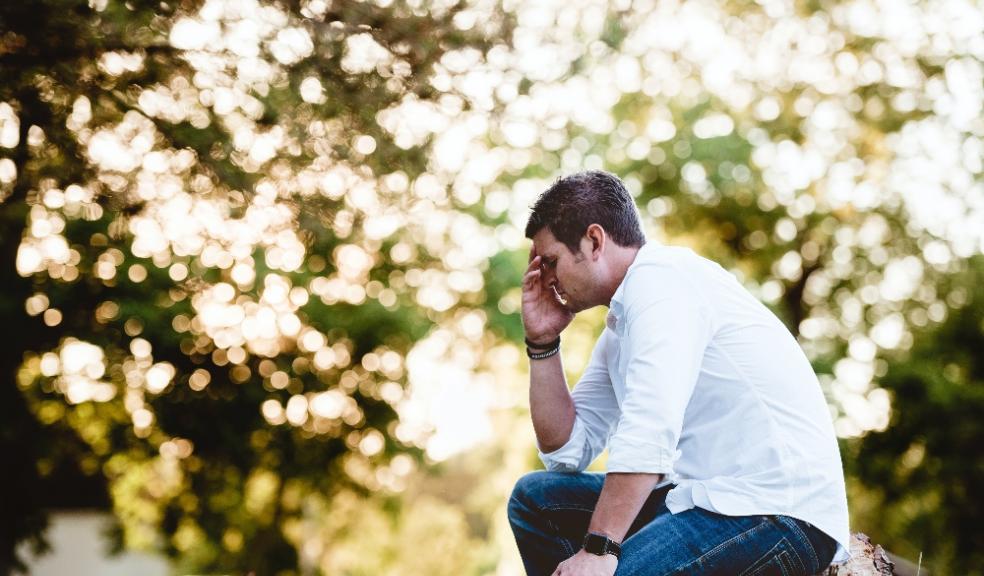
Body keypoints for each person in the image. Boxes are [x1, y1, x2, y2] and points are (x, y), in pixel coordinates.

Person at [508, 171, 850, 576]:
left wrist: (599, 550)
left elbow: (651, 428)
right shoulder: (621, 328)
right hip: (704, 500)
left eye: (551, 261)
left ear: (594, 241)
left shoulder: (663, 282)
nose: (546, 278)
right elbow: (566, 451)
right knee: (536, 500)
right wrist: (542, 342)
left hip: (774, 513)